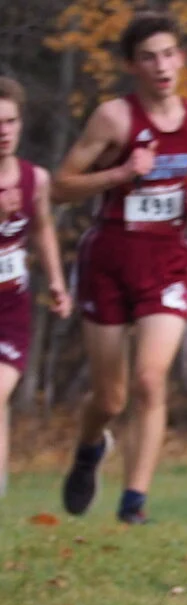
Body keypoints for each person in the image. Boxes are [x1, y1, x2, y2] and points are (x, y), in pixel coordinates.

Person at [52, 13, 187, 526]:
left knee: (150, 380)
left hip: (168, 259)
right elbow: (60, 185)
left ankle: (133, 505)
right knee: (112, 395)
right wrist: (122, 172)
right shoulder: (114, 119)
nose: (162, 66)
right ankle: (88, 448)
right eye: (149, 57)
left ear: (182, 59)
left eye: (169, 54)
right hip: (109, 258)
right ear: (132, 66)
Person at [0, 77, 72, 501]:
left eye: (10, 121)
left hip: (10, 311)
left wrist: (58, 283)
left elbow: (43, 229)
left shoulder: (35, 179)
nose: (2, 131)